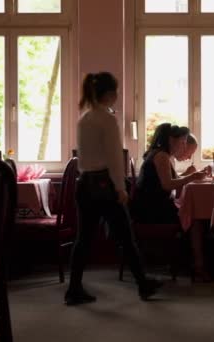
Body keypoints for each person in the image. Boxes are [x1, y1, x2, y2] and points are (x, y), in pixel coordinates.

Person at [67, 72, 162, 305]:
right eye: (116, 91)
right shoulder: (107, 119)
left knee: (83, 239)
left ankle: (74, 289)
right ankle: (143, 284)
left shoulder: (84, 118)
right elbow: (114, 158)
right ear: (110, 94)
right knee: (126, 237)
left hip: (84, 184)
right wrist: (121, 188)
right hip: (104, 185)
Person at [132, 123, 210, 280]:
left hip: (149, 207)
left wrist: (188, 176)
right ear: (171, 140)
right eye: (182, 142)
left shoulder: (158, 154)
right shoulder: (161, 156)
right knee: (194, 218)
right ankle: (198, 267)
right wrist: (192, 177)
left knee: (190, 213)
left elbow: (168, 181)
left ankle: (191, 264)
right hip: (151, 211)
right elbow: (167, 185)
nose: (183, 145)